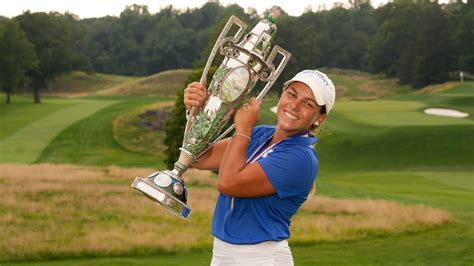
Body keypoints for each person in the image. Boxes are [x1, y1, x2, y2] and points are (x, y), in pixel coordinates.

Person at [183, 69, 336, 265]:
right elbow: (198, 158)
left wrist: (243, 130)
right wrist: (198, 111)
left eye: (308, 104)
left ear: (319, 118)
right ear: (282, 95)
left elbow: (228, 184)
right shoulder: (262, 134)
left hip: (260, 256)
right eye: (292, 94)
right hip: (223, 252)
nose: (295, 106)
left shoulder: (301, 158)